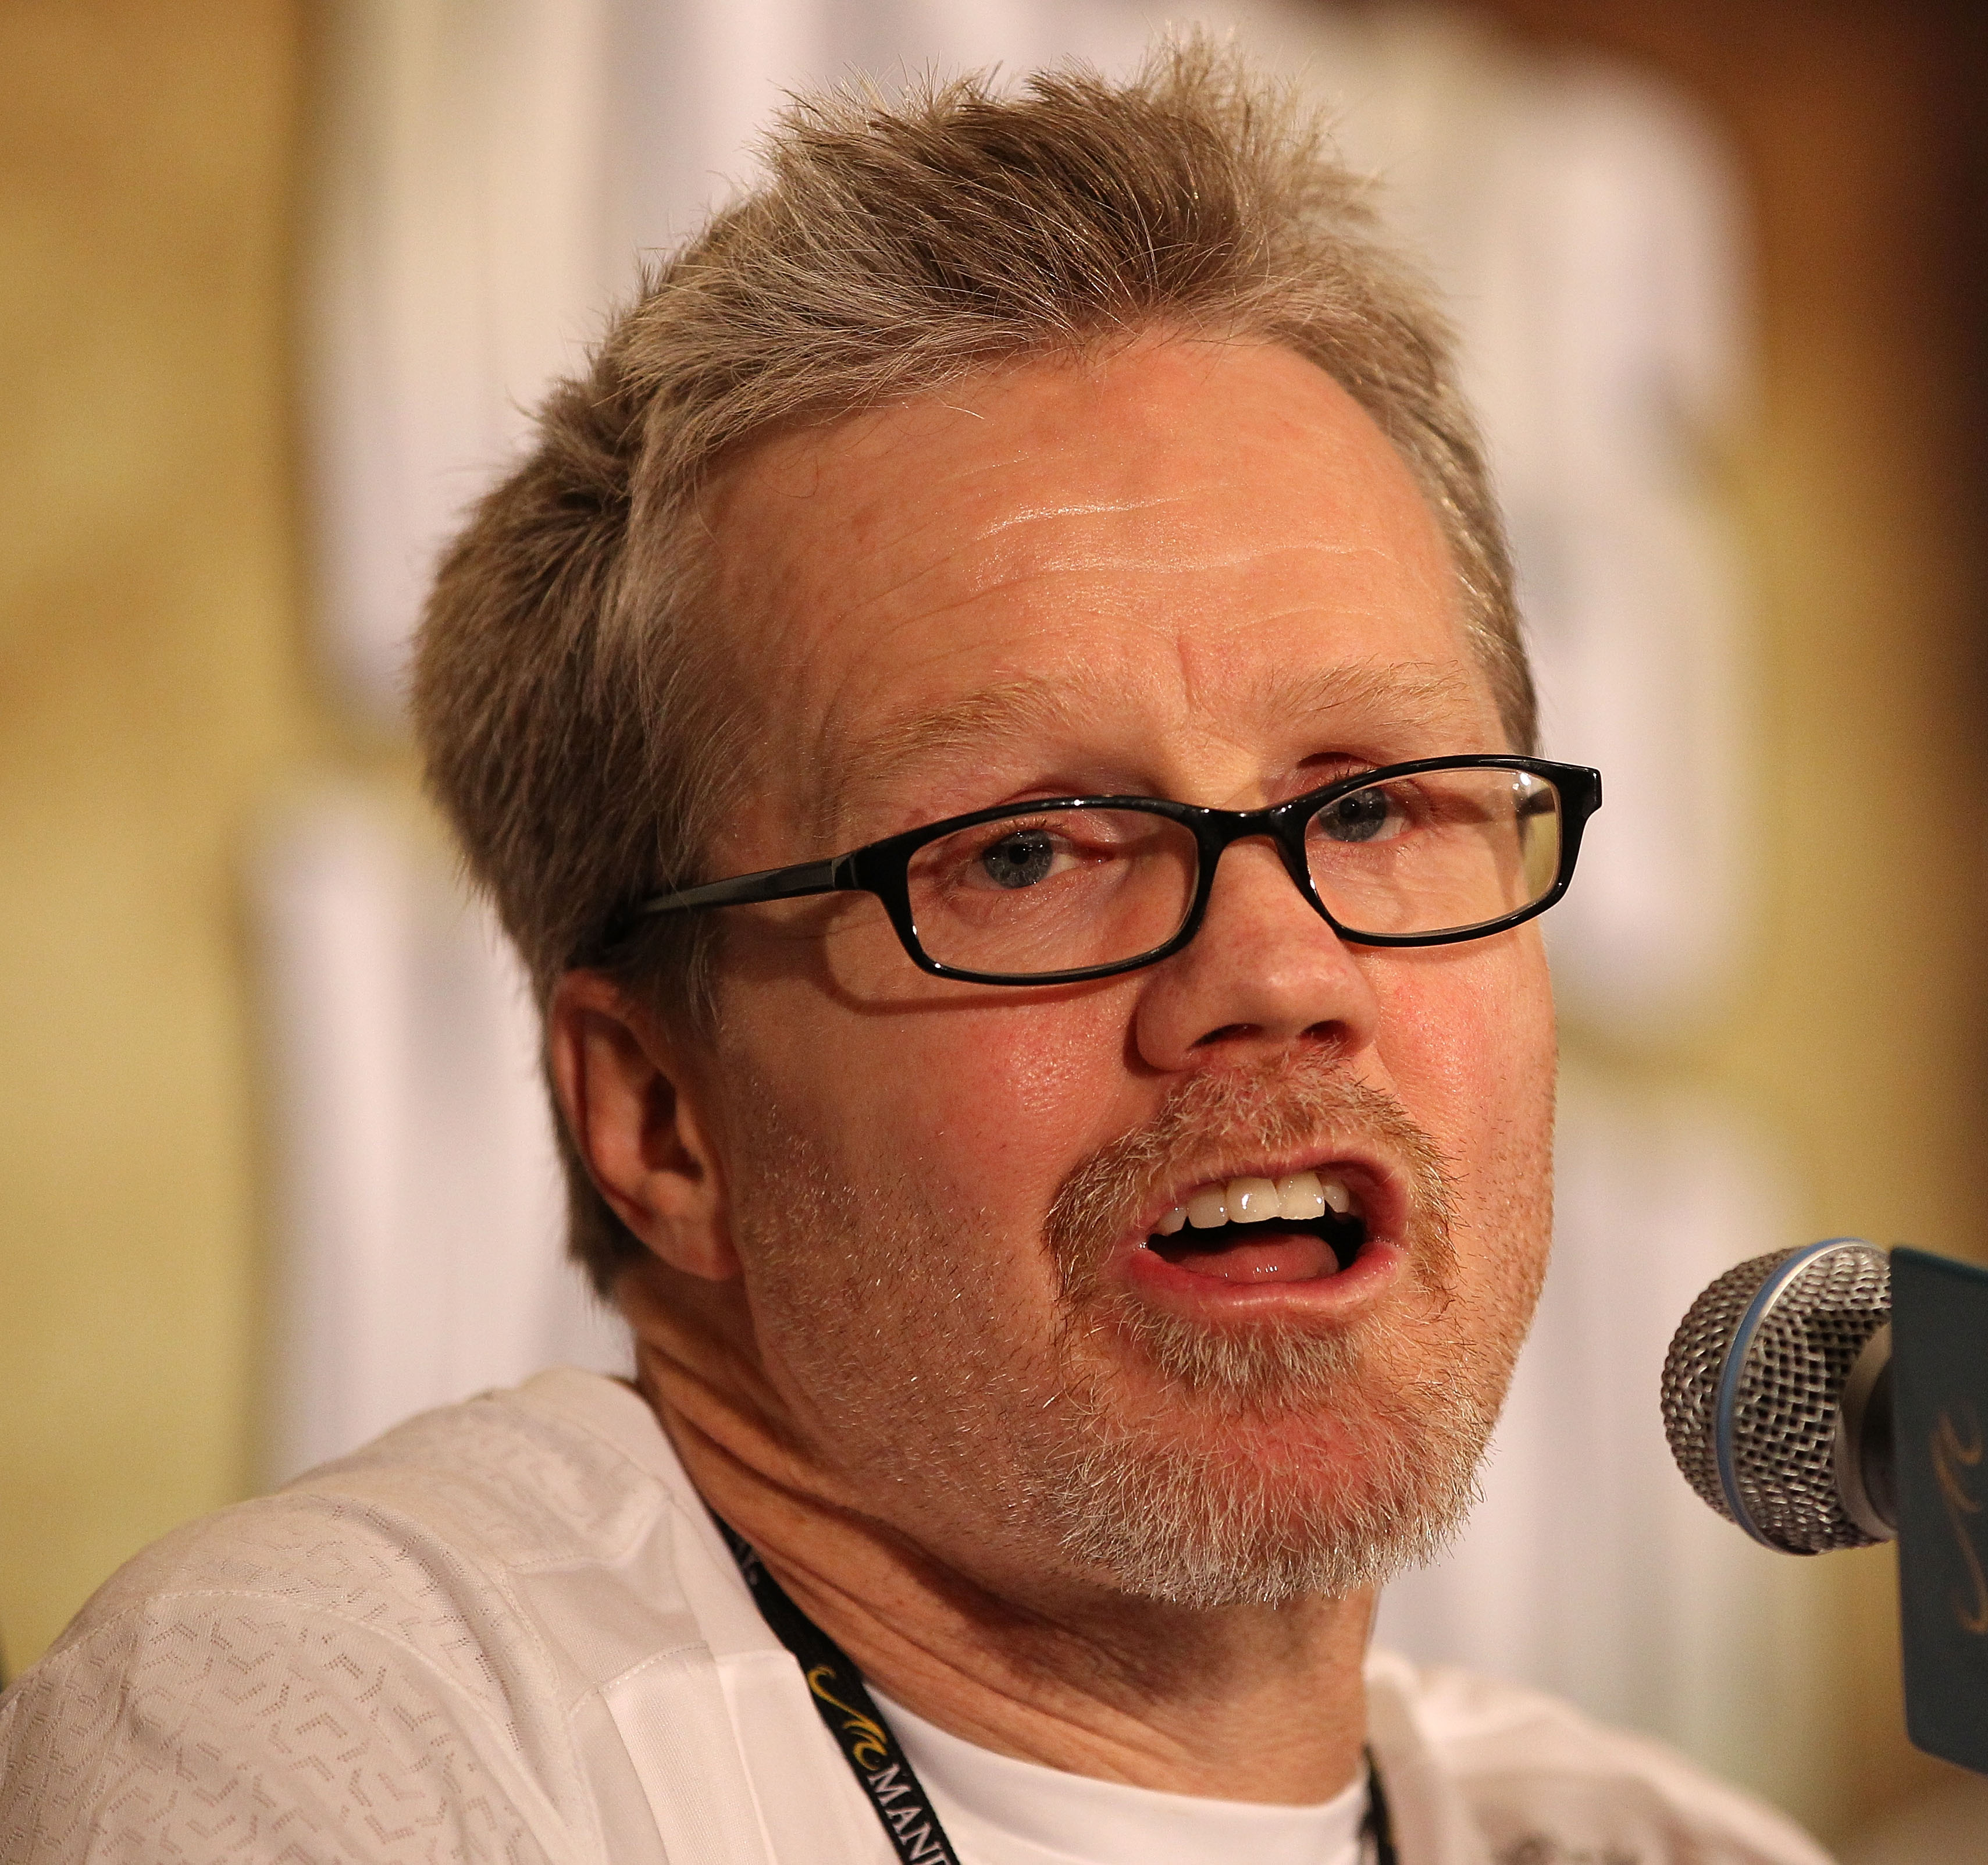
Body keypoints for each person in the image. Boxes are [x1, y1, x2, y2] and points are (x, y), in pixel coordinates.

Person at [0, 45, 1830, 1865]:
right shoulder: (340, 1730)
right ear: (660, 1117)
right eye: (1024, 852)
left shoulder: (1666, 1848)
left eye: (1365, 809)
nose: (1276, 971)